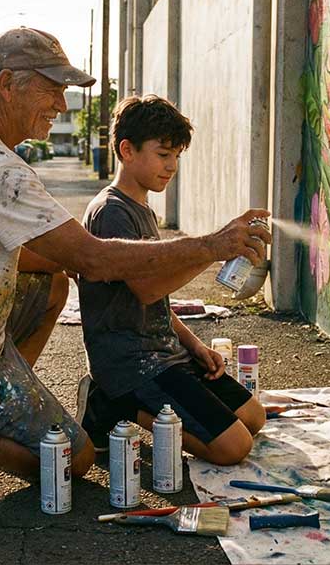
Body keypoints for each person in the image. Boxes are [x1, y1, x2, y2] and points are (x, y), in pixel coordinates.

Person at [0, 27, 272, 487]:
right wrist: (210, 246)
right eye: (52, 89)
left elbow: (52, 258)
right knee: (70, 461)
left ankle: (11, 394)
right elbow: (95, 259)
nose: (62, 105)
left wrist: (85, 266)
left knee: (53, 281)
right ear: (7, 84)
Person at [75, 95, 266, 466]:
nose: (172, 166)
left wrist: (195, 345)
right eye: (163, 154)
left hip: (167, 355)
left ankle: (122, 401)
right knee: (234, 448)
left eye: (177, 156)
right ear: (126, 150)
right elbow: (148, 289)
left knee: (253, 418)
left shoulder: (142, 207)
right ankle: (110, 404)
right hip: (132, 365)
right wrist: (213, 249)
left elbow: (155, 303)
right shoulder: (111, 211)